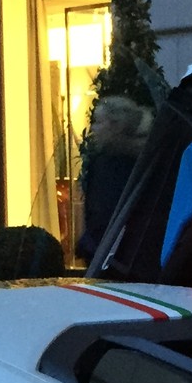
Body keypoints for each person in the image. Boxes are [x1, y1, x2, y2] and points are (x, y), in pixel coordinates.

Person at [76, 96, 151, 263]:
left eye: (98, 122)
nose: (93, 128)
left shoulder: (110, 164)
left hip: (108, 259)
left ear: (116, 126)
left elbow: (103, 215)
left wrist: (88, 246)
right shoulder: (143, 158)